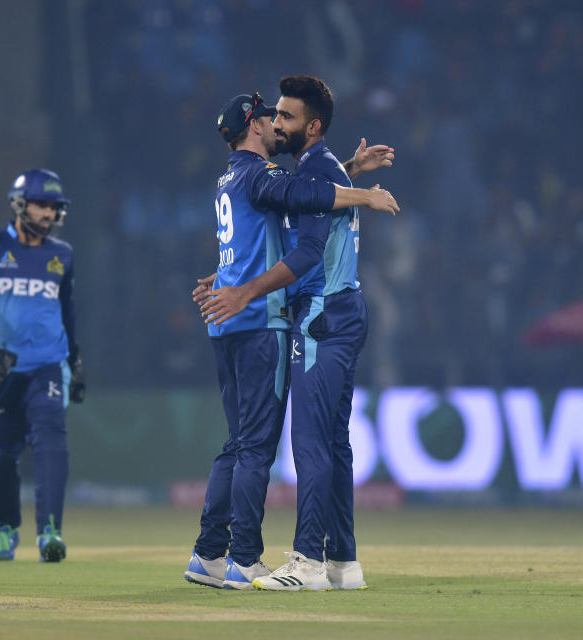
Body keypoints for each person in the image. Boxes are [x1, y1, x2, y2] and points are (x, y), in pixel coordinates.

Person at [184, 91, 398, 590]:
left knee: (239, 445)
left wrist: (347, 170)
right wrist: (362, 192)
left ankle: (209, 555)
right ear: (254, 125)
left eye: (285, 116)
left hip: (231, 317)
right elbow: (307, 195)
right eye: (271, 116)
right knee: (261, 448)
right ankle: (245, 560)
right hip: (259, 316)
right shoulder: (264, 175)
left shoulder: (232, 177)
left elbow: (304, 192)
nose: (277, 124)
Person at [0, 168, 85, 562]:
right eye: (41, 205)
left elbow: (67, 310)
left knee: (50, 439)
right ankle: (5, 528)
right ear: (19, 204)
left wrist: (74, 359)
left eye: (53, 207)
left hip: (48, 365)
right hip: (1, 366)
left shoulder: (62, 254)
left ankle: (50, 531)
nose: (48, 214)